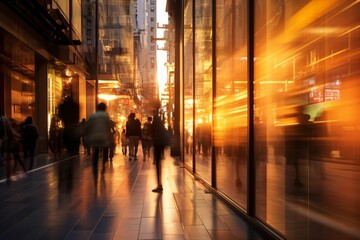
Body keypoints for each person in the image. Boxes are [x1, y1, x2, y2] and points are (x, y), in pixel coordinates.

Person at [84, 102, 113, 185]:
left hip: (95, 138)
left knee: (95, 153)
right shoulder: (106, 117)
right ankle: (103, 165)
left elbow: (88, 127)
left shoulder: (92, 116)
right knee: (105, 152)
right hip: (104, 138)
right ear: (105, 108)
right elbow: (109, 128)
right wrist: (111, 140)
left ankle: (95, 171)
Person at [151, 104, 169, 193]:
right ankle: (159, 184)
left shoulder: (156, 118)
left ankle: (159, 185)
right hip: (159, 142)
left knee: (158, 164)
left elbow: (155, 131)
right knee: (158, 164)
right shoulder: (159, 117)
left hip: (158, 143)